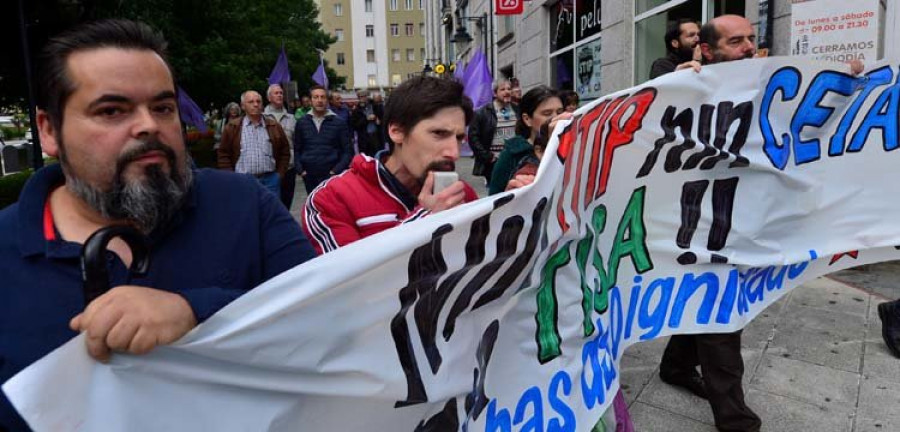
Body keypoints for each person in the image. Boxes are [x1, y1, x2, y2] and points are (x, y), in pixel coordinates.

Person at [0, 19, 316, 430]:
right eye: (112, 110)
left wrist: (197, 313)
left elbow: (324, 323)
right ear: (49, 130)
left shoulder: (243, 205)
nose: (149, 125)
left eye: (163, 107)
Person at [657, 15, 762, 432]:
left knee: (705, 305)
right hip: (699, 223)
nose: (749, 47)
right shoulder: (687, 86)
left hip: (743, 218)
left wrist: (847, 81)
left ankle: (677, 366)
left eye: (752, 38)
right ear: (707, 49)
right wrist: (669, 89)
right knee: (722, 315)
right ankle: (736, 420)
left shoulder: (763, 82)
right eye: (736, 41)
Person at [301, 76, 479, 255]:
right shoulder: (330, 199)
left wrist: (506, 213)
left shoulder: (460, 194)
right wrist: (425, 222)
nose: (454, 153)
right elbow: (349, 278)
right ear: (397, 132)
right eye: (439, 133)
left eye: (459, 138)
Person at [488, 86, 563, 195]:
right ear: (527, 119)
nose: (556, 118)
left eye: (560, 112)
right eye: (547, 114)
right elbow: (493, 198)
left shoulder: (572, 146)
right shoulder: (512, 153)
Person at [217, 90, 291, 197]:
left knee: (270, 213)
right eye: (251, 102)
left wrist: (278, 175)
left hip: (270, 181)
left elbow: (285, 151)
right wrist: (230, 177)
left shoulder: (273, 125)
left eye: (258, 101)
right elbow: (223, 154)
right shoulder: (233, 127)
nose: (255, 104)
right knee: (246, 212)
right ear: (243, 106)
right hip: (242, 181)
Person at [294, 85, 352, 194]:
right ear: (311, 100)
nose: (319, 100)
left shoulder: (339, 123)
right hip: (309, 176)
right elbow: (297, 148)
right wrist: (301, 170)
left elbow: (347, 151)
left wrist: (335, 171)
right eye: (316, 97)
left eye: (322, 97)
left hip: (332, 176)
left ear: (327, 100)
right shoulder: (302, 123)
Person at [468, 79, 518, 184]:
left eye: (509, 89)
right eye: (503, 89)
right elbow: (473, 137)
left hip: (515, 160)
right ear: (495, 93)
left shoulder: (517, 110)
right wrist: (487, 157)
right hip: (495, 162)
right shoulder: (483, 112)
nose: (507, 92)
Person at [263, 84, 298, 209]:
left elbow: (297, 142)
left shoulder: (291, 118)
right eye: (276, 93)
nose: (279, 95)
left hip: (289, 167)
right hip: (269, 168)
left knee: (286, 203)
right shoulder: (262, 118)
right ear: (269, 97)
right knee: (270, 205)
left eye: (281, 93)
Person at [349, 91, 379, 157]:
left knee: (377, 157)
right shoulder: (356, 110)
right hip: (364, 138)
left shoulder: (375, 106)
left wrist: (377, 119)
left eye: (365, 96)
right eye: (361, 97)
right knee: (365, 158)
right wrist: (366, 119)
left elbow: (382, 116)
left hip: (375, 136)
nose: (363, 98)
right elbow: (355, 125)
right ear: (358, 98)